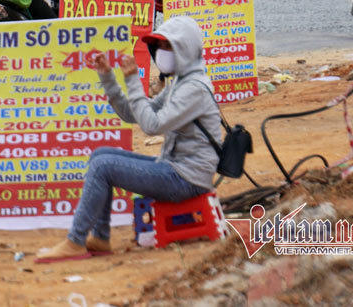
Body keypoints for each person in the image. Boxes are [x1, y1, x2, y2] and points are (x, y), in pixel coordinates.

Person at [36, 15, 220, 262]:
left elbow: (151, 126)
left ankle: (75, 240)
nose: (162, 53)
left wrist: (133, 80)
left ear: (185, 49)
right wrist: (108, 77)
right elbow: (132, 114)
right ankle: (100, 237)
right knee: (100, 155)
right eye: (161, 47)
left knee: (103, 167)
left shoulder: (194, 88)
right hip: (175, 168)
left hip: (186, 178)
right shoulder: (180, 83)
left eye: (168, 46)